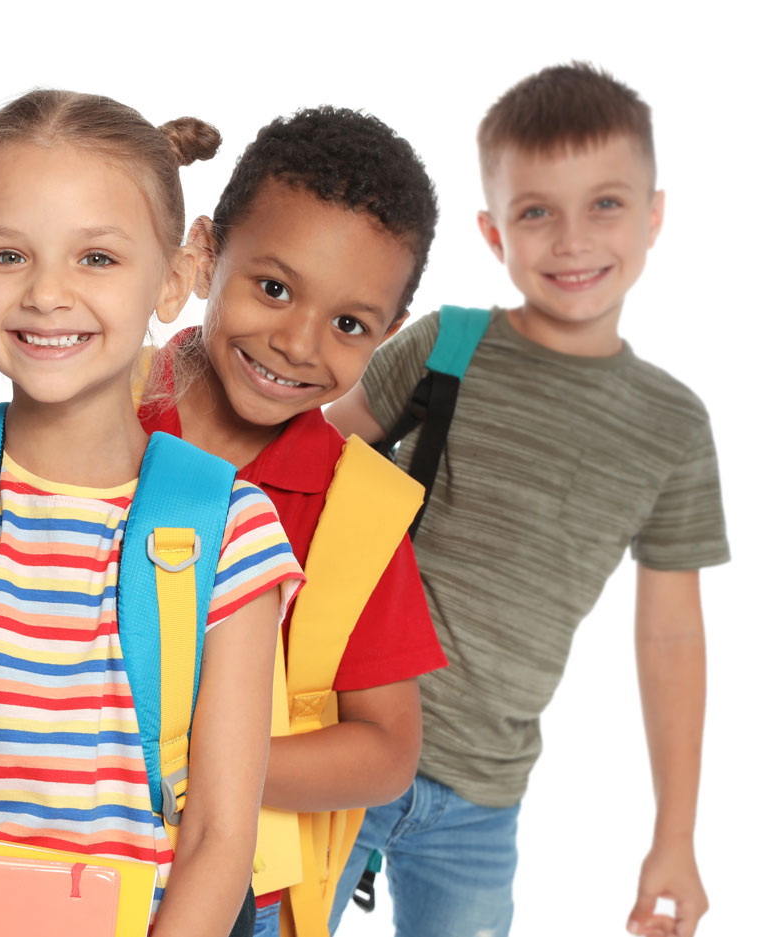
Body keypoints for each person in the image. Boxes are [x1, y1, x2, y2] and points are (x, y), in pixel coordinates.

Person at [0, 89, 305, 937]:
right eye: (8, 257)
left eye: (96, 259)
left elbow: (222, 827)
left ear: (176, 279)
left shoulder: (227, 529)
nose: (46, 294)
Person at [326, 63, 728, 937]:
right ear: (493, 229)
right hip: (338, 741)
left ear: (655, 214)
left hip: (482, 803)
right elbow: (302, 460)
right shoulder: (447, 345)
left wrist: (676, 837)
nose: (572, 239)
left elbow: (671, 637)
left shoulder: (672, 425)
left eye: (607, 204)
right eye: (537, 210)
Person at [137, 107, 448, 937]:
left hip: (244, 893)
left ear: (384, 336)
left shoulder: (357, 511)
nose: (298, 343)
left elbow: (386, 750)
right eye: (273, 287)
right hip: (32, 845)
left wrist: (198, 768)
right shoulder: (90, 403)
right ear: (203, 257)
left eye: (350, 324)